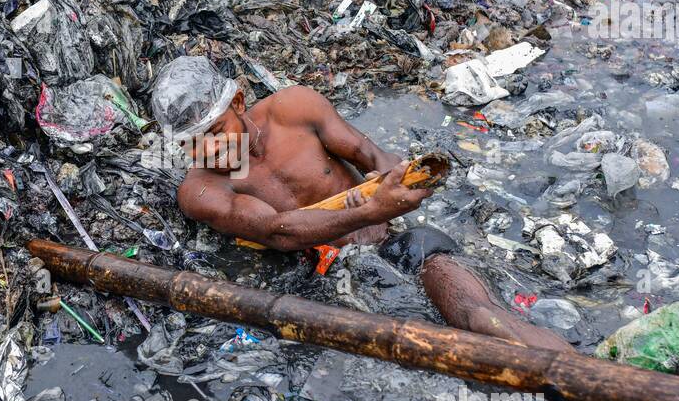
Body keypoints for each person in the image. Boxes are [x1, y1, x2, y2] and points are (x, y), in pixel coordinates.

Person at [150, 56, 570, 351]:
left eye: (217, 130)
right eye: (193, 143)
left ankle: (581, 376)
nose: (211, 150)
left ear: (238, 103)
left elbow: (371, 156)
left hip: (387, 241)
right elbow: (277, 232)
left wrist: (399, 180)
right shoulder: (201, 191)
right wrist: (373, 209)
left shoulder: (294, 108)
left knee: (478, 315)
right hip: (321, 283)